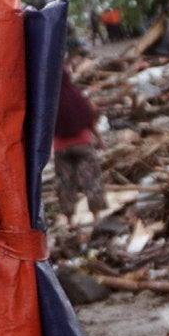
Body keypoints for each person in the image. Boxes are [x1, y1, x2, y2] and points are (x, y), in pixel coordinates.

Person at [52, 66, 108, 224]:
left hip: (61, 148)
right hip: (83, 145)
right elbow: (89, 119)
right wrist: (100, 140)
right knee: (91, 181)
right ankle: (96, 217)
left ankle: (70, 221)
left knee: (65, 185)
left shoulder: (49, 101)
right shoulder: (75, 95)